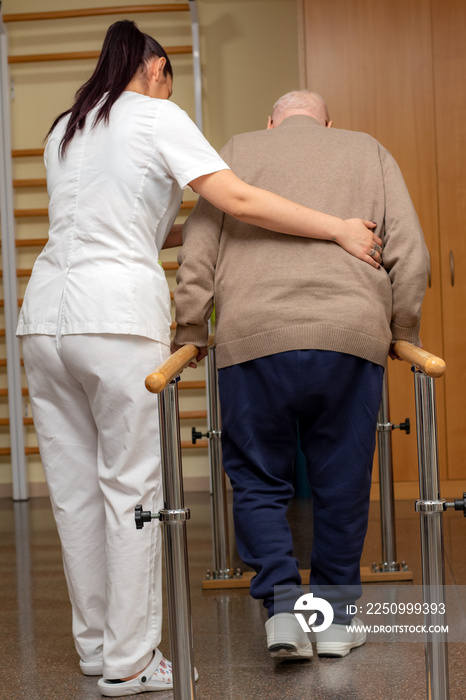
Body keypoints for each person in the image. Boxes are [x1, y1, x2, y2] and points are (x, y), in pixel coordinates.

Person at [16, 20, 383, 697]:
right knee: (131, 490)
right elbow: (235, 197)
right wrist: (334, 225)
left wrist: (225, 229)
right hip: (117, 319)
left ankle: (99, 649)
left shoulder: (66, 127)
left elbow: (143, 218)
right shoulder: (156, 116)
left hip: (44, 322)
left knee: (74, 495)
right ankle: (132, 663)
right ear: (156, 68)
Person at [173, 90, 429, 662]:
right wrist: (400, 329)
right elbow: (410, 252)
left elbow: (200, 247)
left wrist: (190, 328)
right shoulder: (368, 151)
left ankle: (284, 612)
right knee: (341, 483)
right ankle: (335, 622)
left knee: (260, 479)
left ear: (271, 121)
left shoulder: (239, 149)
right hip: (348, 335)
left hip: (253, 337)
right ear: (328, 123)